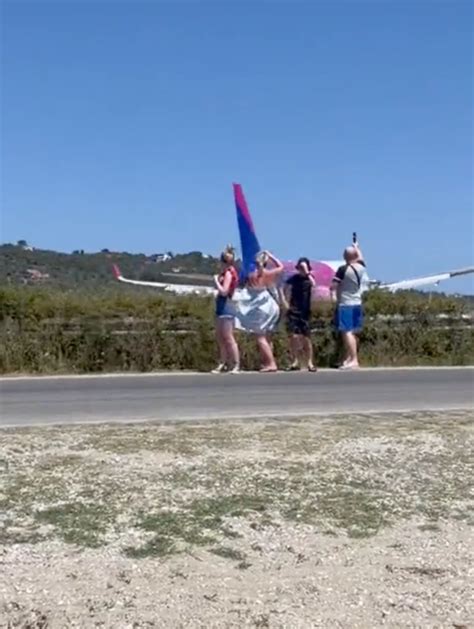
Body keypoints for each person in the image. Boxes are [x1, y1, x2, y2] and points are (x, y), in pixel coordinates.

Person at [235, 250, 284, 372]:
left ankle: (271, 363)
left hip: (259, 307)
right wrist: (271, 255)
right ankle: (267, 362)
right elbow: (281, 267)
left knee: (260, 337)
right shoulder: (268, 273)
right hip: (269, 305)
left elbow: (244, 286)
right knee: (267, 336)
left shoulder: (253, 275)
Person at [330, 240, 368, 370]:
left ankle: (354, 360)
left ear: (344, 256)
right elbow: (360, 258)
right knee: (352, 332)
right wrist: (357, 247)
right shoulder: (361, 268)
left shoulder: (343, 269)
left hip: (346, 303)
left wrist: (333, 298)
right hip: (357, 302)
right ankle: (349, 358)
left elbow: (333, 286)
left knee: (347, 332)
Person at [281, 257, 317, 372]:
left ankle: (310, 363)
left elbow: (314, 284)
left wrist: (307, 273)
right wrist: (284, 302)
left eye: (304, 267)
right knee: (294, 336)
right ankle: (295, 361)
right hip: (294, 310)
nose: (301, 269)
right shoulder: (294, 278)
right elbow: (284, 288)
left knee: (306, 337)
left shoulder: (309, 278)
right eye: (300, 267)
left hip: (305, 311)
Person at [212, 245, 240, 374]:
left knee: (228, 337)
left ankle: (236, 364)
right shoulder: (225, 273)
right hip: (220, 305)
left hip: (226, 305)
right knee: (220, 336)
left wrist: (216, 282)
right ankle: (222, 362)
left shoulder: (228, 273)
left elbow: (224, 291)